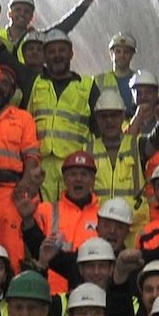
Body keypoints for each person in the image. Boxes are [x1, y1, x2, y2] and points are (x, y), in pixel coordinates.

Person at [26, 28, 96, 201]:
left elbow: (101, 130)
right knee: (42, 216)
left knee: (71, 217)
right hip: (39, 167)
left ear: (71, 53)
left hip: (74, 169)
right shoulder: (35, 84)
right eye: (51, 51)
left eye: (62, 50)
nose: (57, 55)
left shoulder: (87, 86)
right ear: (44, 56)